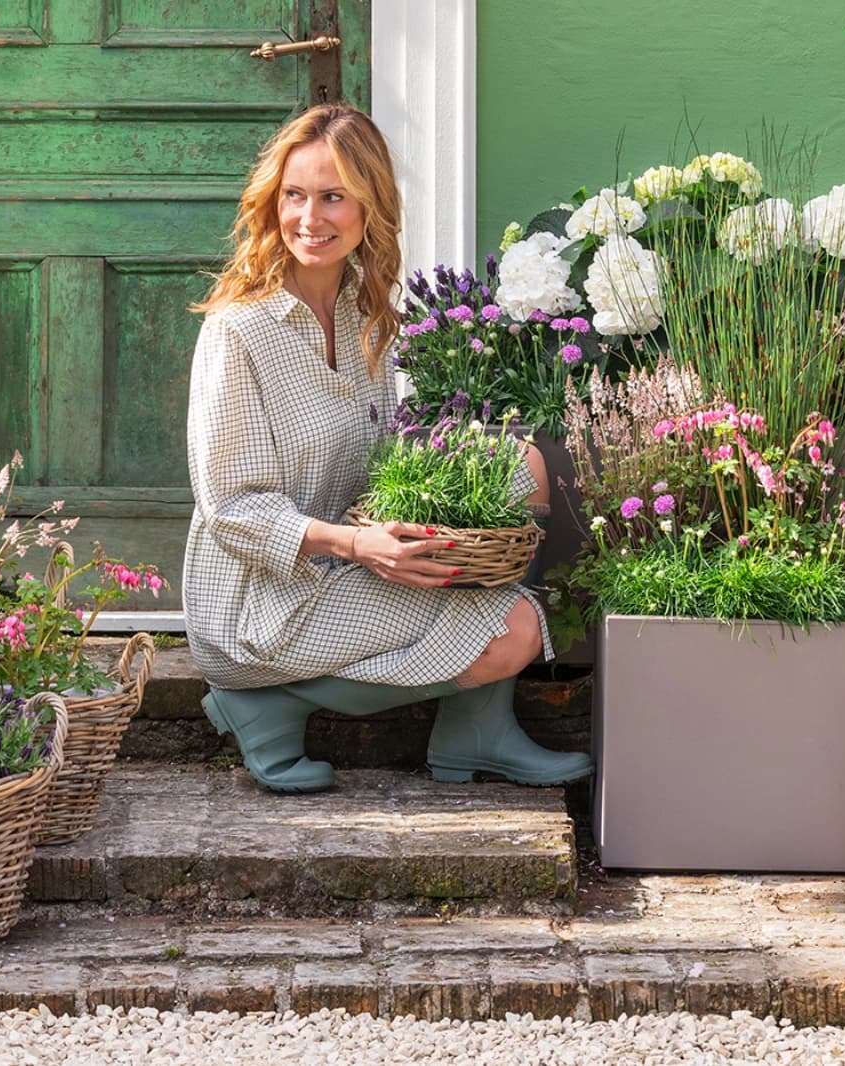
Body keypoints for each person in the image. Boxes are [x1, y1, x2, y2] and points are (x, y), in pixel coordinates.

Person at [183, 103, 592, 793]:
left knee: (520, 472)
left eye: (333, 196)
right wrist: (355, 545)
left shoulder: (364, 313)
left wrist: (450, 482)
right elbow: (231, 511)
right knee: (515, 629)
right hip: (260, 598)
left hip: (349, 562)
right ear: (271, 202)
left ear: (369, 207)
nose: (310, 218)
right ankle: (269, 703)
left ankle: (474, 733)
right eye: (294, 195)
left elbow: (380, 458)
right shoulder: (239, 332)